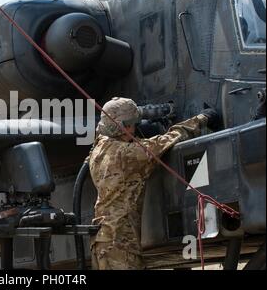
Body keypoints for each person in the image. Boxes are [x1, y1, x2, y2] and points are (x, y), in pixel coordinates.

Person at [89, 97, 220, 270]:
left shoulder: (97, 150)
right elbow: (170, 139)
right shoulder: (126, 154)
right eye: (133, 124)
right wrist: (203, 118)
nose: (135, 129)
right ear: (125, 126)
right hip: (120, 243)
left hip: (102, 241)